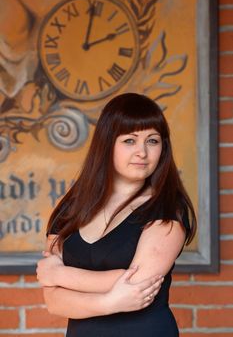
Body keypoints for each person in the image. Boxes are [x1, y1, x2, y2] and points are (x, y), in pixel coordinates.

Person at [36, 92, 197, 337]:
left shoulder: (167, 208)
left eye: (152, 141)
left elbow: (139, 287)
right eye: (130, 141)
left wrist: (58, 273)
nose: (142, 152)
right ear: (107, 143)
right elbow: (54, 301)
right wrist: (111, 301)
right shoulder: (72, 207)